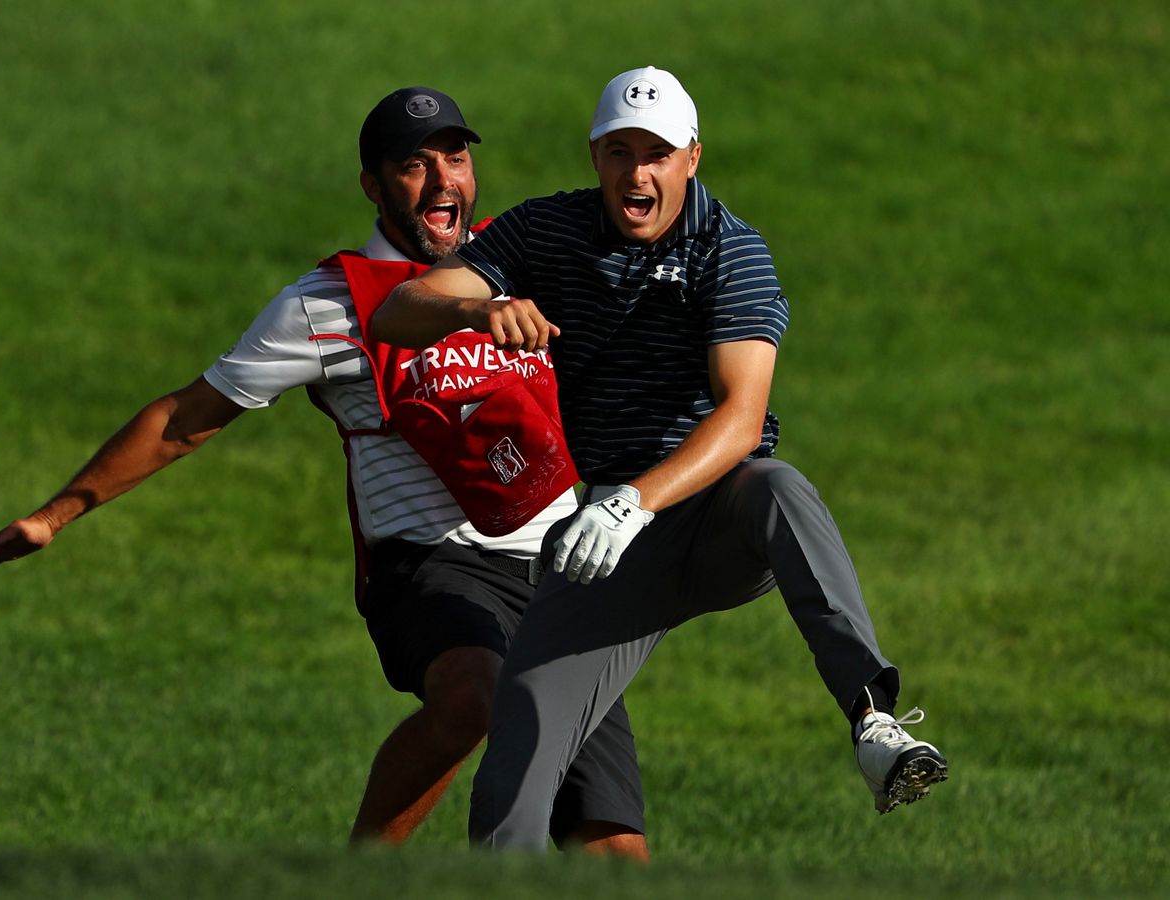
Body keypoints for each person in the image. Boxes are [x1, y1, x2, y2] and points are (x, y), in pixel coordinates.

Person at [0, 86, 650, 858]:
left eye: (455, 157)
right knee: (473, 696)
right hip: (430, 568)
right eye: (413, 165)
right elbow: (184, 421)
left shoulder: (525, 257)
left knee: (614, 851)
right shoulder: (327, 305)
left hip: (562, 570)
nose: (443, 180)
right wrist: (54, 515)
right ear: (374, 188)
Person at [374, 67, 950, 850]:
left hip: (711, 516)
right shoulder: (550, 231)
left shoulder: (732, 250)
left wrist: (632, 501)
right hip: (608, 546)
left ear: (692, 158)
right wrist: (482, 306)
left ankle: (872, 719)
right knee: (513, 776)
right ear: (595, 158)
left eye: (656, 153)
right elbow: (395, 313)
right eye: (619, 152)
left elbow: (741, 419)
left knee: (779, 486)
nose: (636, 173)